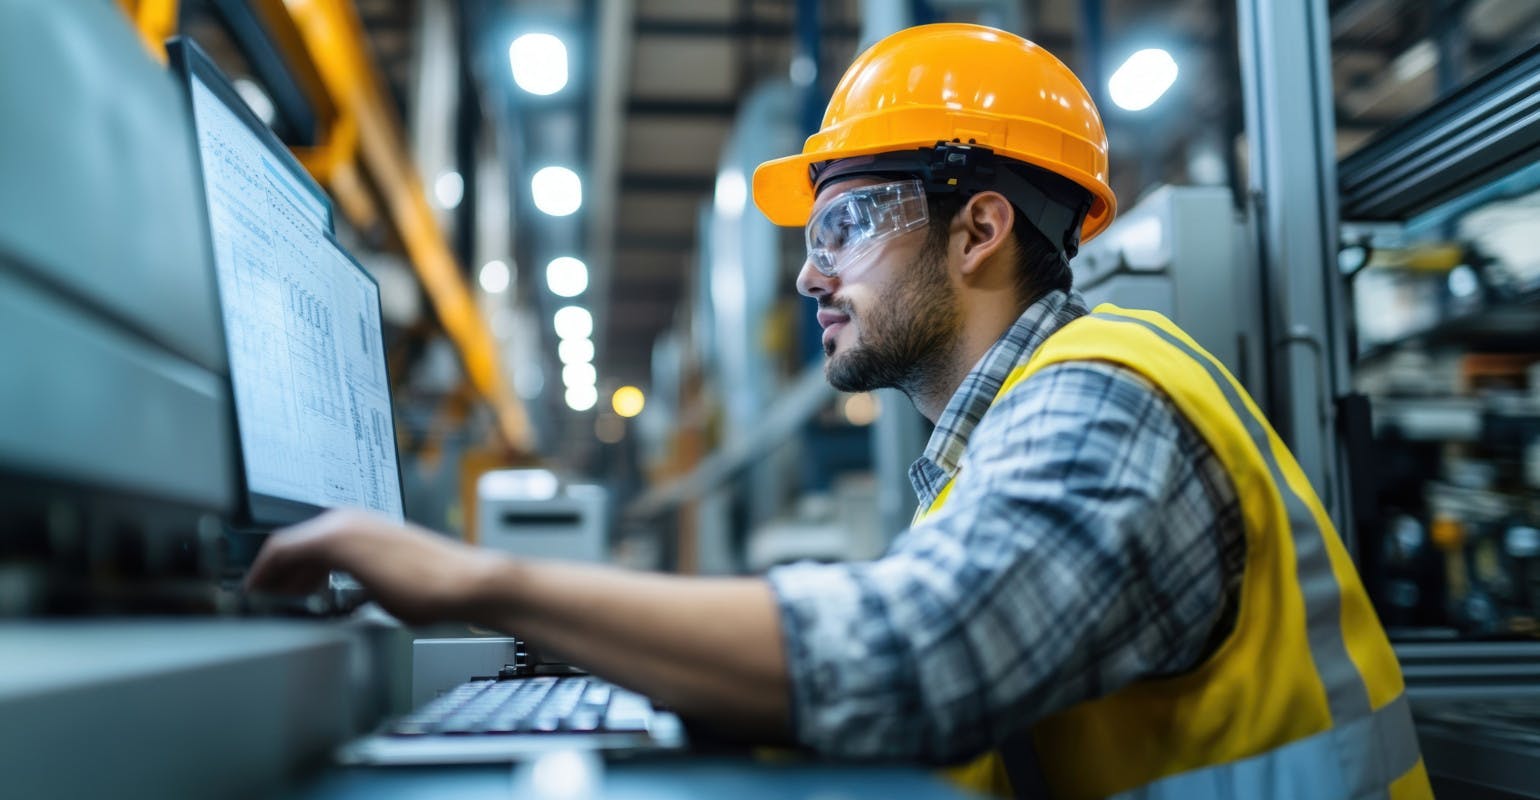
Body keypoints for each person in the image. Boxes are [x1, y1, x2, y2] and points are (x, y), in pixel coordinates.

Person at [248, 23, 1431, 799]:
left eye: (845, 224)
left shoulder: (1108, 396)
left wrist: (478, 580)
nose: (811, 274)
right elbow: (881, 621)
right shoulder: (997, 430)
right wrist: (561, 641)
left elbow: (915, 657)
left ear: (981, 228)